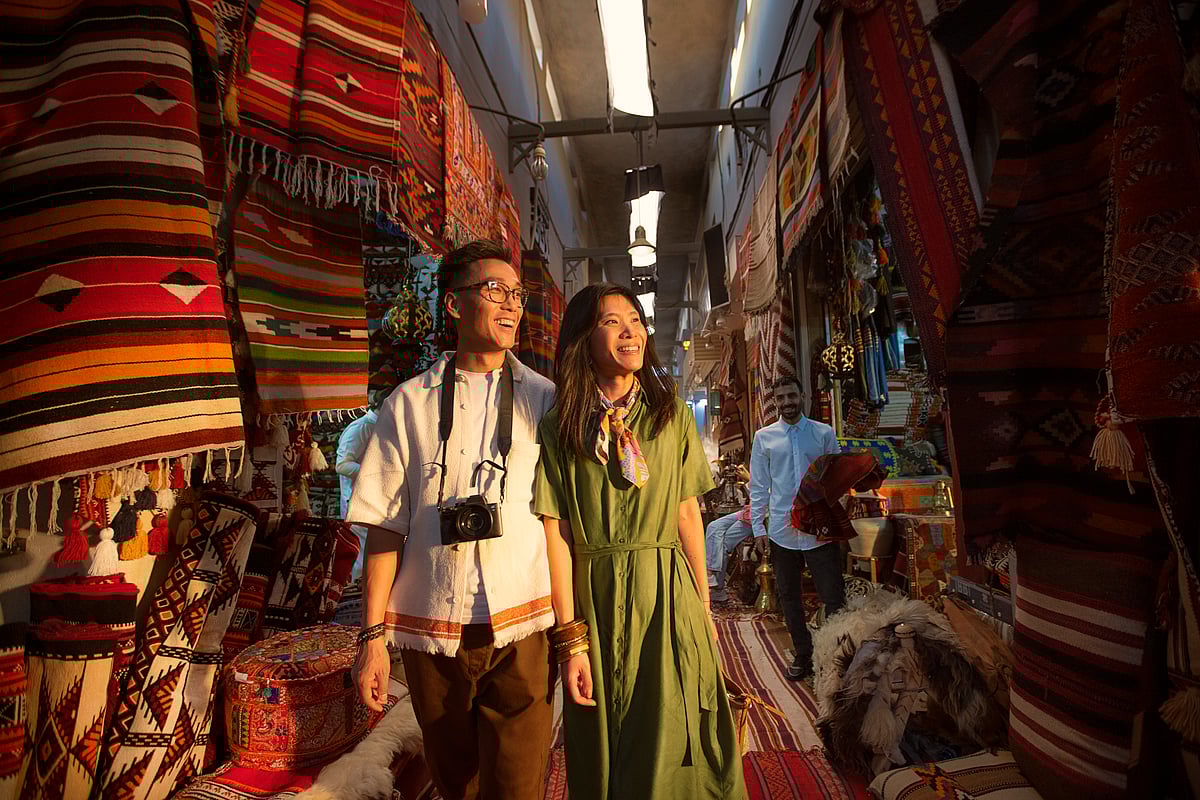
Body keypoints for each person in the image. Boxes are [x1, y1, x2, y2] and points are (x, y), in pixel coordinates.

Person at [349, 240, 557, 800]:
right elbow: (383, 525)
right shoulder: (407, 405)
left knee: (518, 788)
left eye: (516, 293)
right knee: (454, 786)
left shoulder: (546, 401)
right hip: (429, 629)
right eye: (494, 290)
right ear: (453, 305)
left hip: (523, 624)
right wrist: (372, 639)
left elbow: (564, 522)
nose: (511, 304)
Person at [533, 283, 746, 800]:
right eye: (612, 321)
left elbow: (687, 513)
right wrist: (570, 639)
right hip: (596, 596)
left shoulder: (669, 413)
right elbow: (557, 533)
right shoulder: (561, 426)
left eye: (635, 318)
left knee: (673, 727)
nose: (630, 330)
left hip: (666, 592)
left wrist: (703, 604)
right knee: (600, 734)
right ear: (584, 337)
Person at [748, 377, 842, 681]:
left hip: (820, 529)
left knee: (833, 596)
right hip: (782, 530)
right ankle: (803, 654)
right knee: (789, 596)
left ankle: (837, 656)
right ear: (775, 401)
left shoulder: (823, 433)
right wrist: (758, 529)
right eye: (781, 398)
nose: (787, 402)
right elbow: (760, 486)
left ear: (802, 396)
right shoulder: (764, 438)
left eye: (791, 395)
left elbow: (836, 479)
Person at [336, 403, 379, 578]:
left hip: (374, 499)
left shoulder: (379, 428)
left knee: (372, 553)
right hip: (357, 500)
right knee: (359, 553)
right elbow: (342, 465)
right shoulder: (362, 427)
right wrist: (377, 472)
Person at [705, 463, 751, 603]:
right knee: (713, 527)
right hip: (748, 511)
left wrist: (749, 480)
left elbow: (764, 494)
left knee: (722, 543)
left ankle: (718, 589)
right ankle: (711, 573)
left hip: (760, 515)